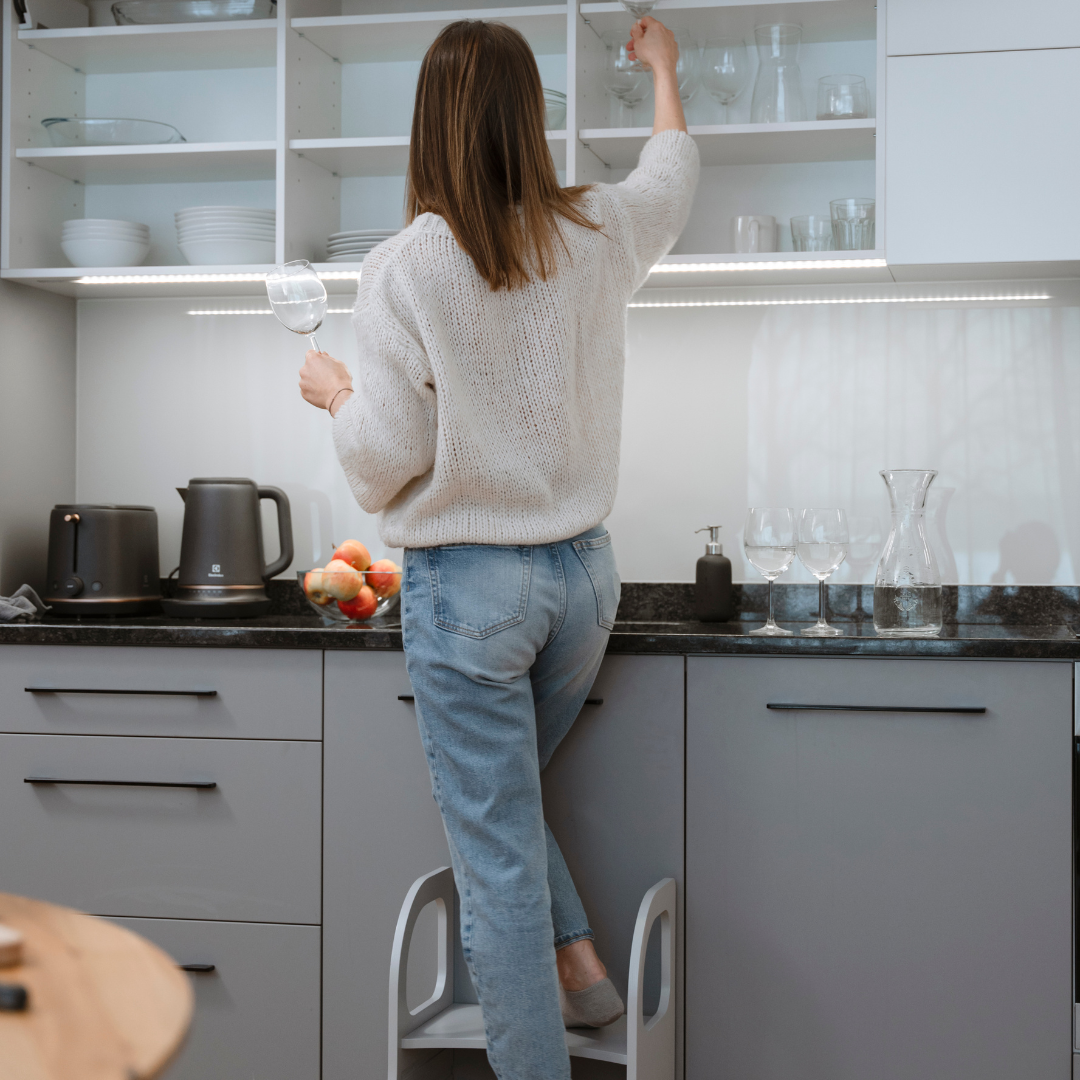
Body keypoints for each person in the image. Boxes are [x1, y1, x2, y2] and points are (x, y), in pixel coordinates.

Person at [298, 16, 697, 1079]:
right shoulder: (598, 230)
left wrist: (334, 394)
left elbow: (387, 453)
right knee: (507, 807)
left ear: (426, 124)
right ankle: (582, 969)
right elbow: (671, 177)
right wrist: (663, 71)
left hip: (469, 590)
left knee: (495, 858)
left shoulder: (405, 266)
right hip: (582, 583)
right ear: (533, 117)